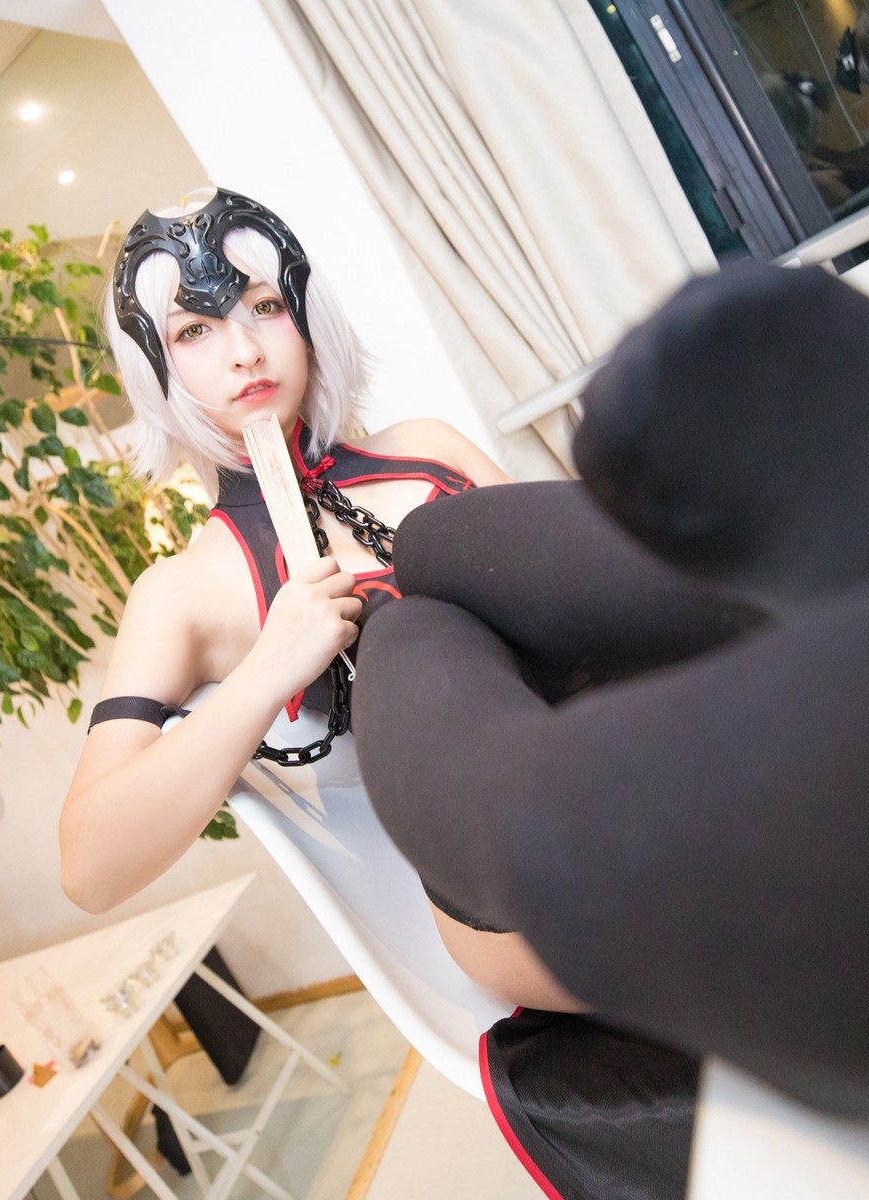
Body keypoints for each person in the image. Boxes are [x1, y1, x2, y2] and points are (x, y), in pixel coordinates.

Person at [56, 187, 585, 1013]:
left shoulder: (430, 451)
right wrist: (266, 671)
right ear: (156, 369)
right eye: (194, 331)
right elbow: (90, 868)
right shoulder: (182, 594)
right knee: (410, 632)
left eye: (264, 307)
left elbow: (586, 590)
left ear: (306, 316)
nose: (243, 351)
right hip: (520, 894)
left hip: (632, 759)